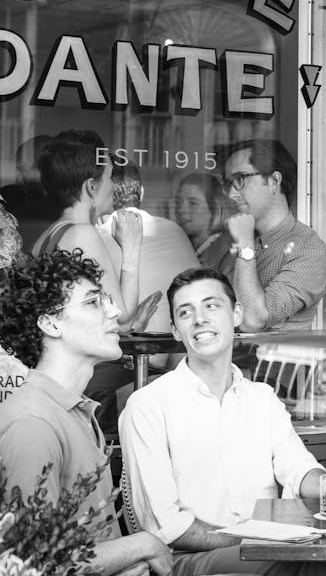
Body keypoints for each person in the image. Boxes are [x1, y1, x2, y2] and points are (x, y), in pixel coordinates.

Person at [0, 250, 294, 576]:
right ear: (51, 323)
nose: (114, 311)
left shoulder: (75, 412)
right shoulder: (33, 422)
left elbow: (69, 549)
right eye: (93, 302)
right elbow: (26, 568)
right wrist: (139, 545)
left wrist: (119, 567)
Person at [118, 267, 326, 576]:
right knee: (305, 562)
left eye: (211, 306)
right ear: (176, 330)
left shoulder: (262, 398)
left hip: (263, 552)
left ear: (236, 314)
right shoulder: (148, 406)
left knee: (318, 563)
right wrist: (253, 539)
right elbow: (167, 527)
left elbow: (299, 469)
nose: (199, 319)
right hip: (185, 563)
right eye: (185, 312)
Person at [31, 131, 160, 432]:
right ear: (91, 186)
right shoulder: (82, 233)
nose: (114, 187)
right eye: (110, 177)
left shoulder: (50, 233)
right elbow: (122, 314)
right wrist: (131, 247)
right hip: (81, 376)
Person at [202, 140, 326, 331]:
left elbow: (252, 320)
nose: (230, 194)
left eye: (240, 179)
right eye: (228, 184)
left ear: (274, 181)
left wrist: (245, 245)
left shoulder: (309, 249)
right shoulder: (227, 240)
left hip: (272, 352)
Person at [99, 162, 200, 335]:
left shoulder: (96, 238)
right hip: (184, 341)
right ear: (142, 192)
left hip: (132, 345)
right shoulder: (174, 229)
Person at [175, 172, 229, 261]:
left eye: (193, 203)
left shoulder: (224, 253)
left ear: (215, 209)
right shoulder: (181, 249)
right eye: (178, 202)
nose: (181, 210)